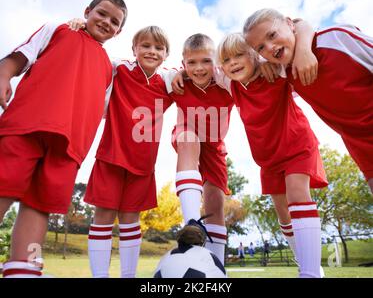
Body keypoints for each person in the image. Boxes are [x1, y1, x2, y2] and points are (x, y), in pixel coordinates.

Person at [0, 0, 127, 278]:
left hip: (70, 145)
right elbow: (16, 58)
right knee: (3, 186)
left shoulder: (110, 68)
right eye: (101, 14)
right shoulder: (58, 29)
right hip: (27, 125)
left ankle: (24, 267)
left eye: (114, 21)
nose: (106, 22)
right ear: (87, 11)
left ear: (119, 31)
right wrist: (4, 75)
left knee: (40, 204)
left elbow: (104, 108)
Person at [216, 32, 328, 278]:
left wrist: (271, 61)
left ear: (254, 55)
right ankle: (308, 265)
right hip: (268, 157)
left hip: (297, 143)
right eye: (226, 60)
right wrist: (178, 73)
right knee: (283, 213)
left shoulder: (276, 71)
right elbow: (200, 66)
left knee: (298, 194)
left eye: (238, 55)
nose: (232, 62)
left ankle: (310, 273)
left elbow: (299, 32)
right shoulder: (229, 82)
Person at [243, 8, 373, 195]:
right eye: (260, 48)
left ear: (289, 24)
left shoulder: (336, 39)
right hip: (365, 153)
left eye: (272, 35)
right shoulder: (284, 74)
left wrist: (304, 48)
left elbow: (302, 24)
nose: (270, 47)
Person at [83, 26, 174, 278]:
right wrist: (81, 26)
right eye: (145, 45)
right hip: (111, 155)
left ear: (166, 54)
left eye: (158, 47)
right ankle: (100, 275)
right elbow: (92, 54)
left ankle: (128, 275)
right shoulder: (119, 68)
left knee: (130, 218)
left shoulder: (168, 81)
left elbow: (196, 71)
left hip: (144, 162)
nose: (151, 51)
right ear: (133, 49)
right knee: (103, 214)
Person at [170, 33, 234, 266]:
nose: (198, 68)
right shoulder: (176, 79)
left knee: (215, 202)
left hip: (215, 143)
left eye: (206, 61)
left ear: (216, 60)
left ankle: (216, 267)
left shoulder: (227, 79)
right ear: (183, 63)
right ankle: (192, 225)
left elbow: (251, 65)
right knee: (188, 139)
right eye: (192, 63)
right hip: (187, 132)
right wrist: (177, 74)